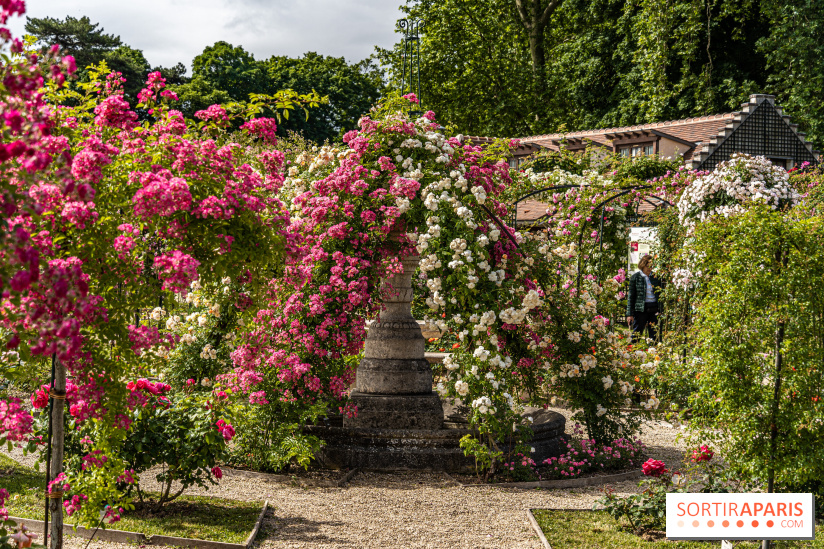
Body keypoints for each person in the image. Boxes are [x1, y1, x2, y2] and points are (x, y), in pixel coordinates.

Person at [626, 254, 664, 341]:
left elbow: (660, 294)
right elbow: (631, 297)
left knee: (654, 333)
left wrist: (661, 309)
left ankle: (653, 352)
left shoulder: (656, 277)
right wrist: (629, 314)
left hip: (654, 307)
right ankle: (632, 351)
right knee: (637, 333)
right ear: (643, 265)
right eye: (648, 266)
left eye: (651, 266)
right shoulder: (635, 277)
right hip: (640, 309)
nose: (650, 269)